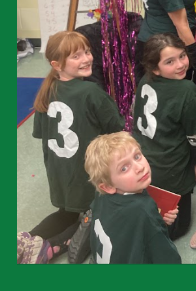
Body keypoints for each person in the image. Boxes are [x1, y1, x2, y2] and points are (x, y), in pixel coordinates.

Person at [19, 30, 124, 264]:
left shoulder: (47, 90)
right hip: (87, 171)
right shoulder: (92, 92)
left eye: (86, 52)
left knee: (66, 212)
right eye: (76, 56)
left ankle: (26, 239)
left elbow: (41, 134)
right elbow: (117, 132)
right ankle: (53, 246)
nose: (86, 58)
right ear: (56, 64)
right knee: (94, 213)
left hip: (58, 170)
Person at [131, 33, 196, 239]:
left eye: (182, 56)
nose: (181, 65)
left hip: (143, 161)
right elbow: (195, 135)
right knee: (178, 227)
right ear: (155, 67)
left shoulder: (146, 79)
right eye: (170, 62)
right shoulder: (186, 89)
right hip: (171, 168)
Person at [84, 132, 181, 264]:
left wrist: (158, 221)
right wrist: (154, 223)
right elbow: (167, 258)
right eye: (124, 168)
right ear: (107, 186)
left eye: (137, 156)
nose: (139, 168)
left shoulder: (101, 194)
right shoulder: (143, 209)